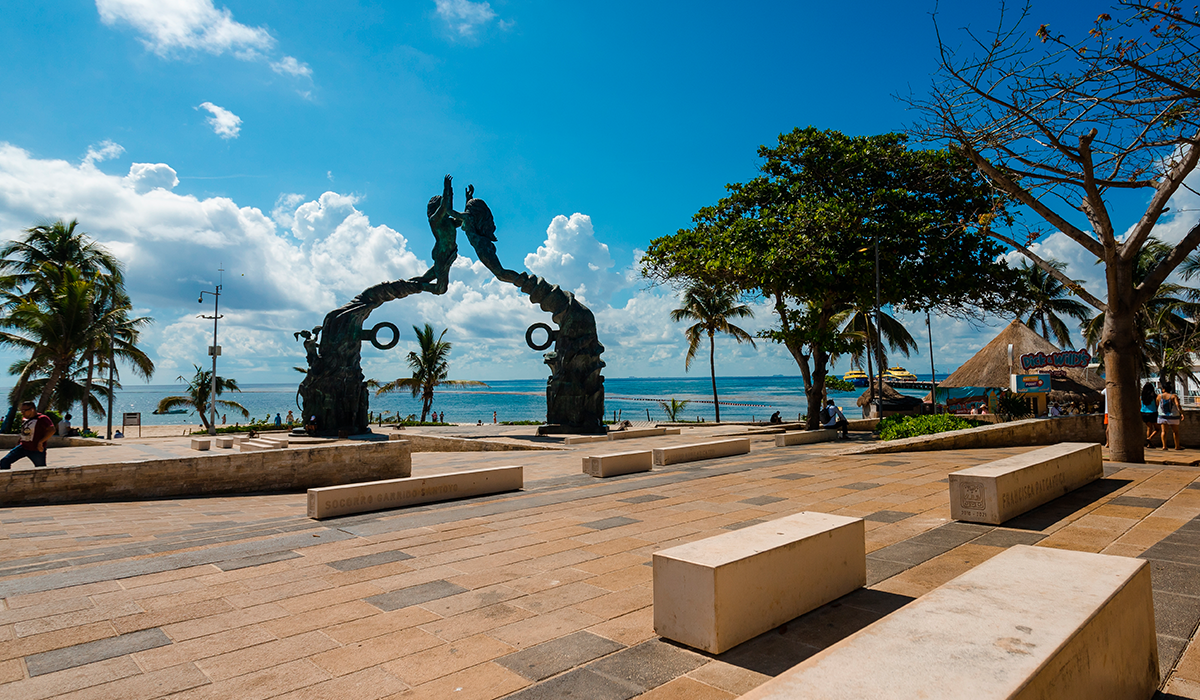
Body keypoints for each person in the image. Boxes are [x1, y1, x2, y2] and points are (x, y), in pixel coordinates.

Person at [417, 174, 460, 294]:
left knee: (424, 279)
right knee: (441, 289)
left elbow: (462, 219)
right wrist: (448, 188)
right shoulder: (435, 221)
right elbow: (444, 205)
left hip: (448, 255)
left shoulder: (450, 222)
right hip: (441, 255)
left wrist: (468, 199)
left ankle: (409, 285)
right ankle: (414, 286)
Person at [0, 402, 55, 469]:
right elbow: (24, 432)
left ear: (32, 410)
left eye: (24, 410)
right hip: (23, 446)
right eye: (21, 410)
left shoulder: (42, 418)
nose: (22, 412)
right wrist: (18, 442)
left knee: (41, 469)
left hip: (36, 449)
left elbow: (52, 430)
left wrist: (41, 442)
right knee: (4, 461)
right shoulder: (24, 419)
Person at [1157, 381, 1184, 450]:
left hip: (1162, 416)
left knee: (1164, 431)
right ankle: (1177, 446)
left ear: (1163, 389)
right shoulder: (1173, 396)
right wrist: (1181, 413)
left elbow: (1157, 404)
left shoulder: (1160, 396)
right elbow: (1178, 404)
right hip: (1173, 416)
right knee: (1175, 432)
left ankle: (1164, 446)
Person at [1141, 382, 1161, 448]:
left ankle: (1149, 443)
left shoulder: (1142, 397)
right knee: (1157, 429)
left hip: (1144, 413)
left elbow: (1140, 405)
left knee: (1149, 428)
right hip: (1153, 412)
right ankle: (1150, 438)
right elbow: (1157, 404)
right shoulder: (1154, 396)